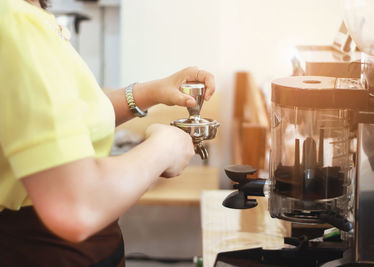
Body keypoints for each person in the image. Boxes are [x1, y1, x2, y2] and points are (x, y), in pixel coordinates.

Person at [0, 0, 215, 266]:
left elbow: (67, 121)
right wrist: (164, 148)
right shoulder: (14, 23)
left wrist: (151, 92)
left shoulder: (25, 18)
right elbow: (76, 205)